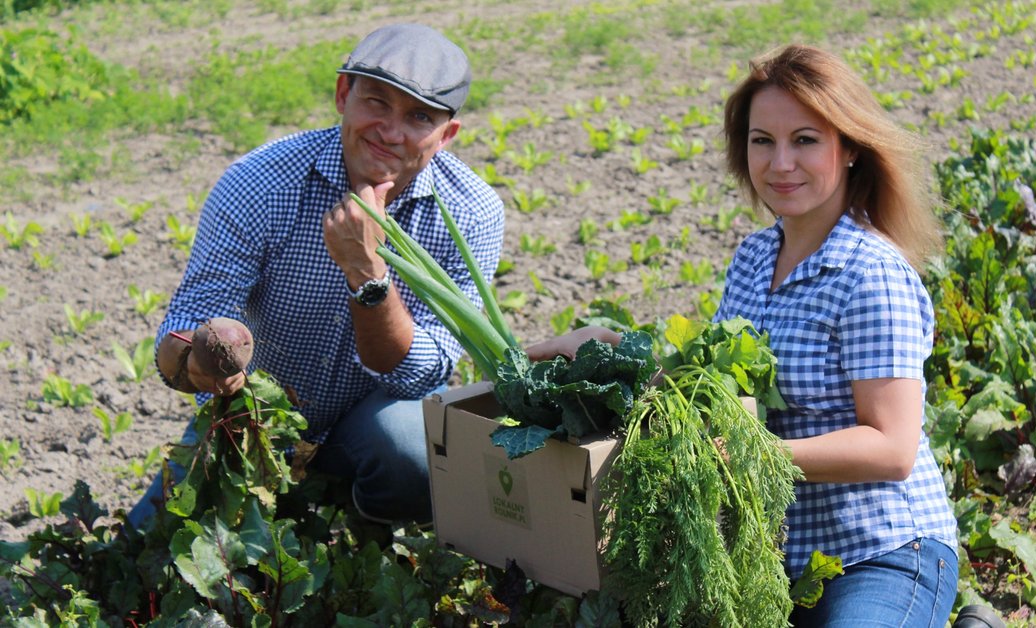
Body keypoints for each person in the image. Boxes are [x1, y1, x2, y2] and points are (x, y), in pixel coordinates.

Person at [528, 44, 965, 627]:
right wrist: (613, 353)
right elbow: (715, 391)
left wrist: (749, 456)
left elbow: (890, 448)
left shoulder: (870, 273)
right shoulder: (756, 257)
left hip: (880, 552)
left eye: (805, 140)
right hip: (771, 558)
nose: (780, 162)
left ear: (851, 148)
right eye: (763, 141)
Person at [133, 23, 505, 529]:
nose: (391, 131)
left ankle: (366, 531)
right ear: (342, 95)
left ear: (446, 135)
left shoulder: (471, 212)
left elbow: (422, 372)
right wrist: (197, 360)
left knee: (410, 451)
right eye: (376, 102)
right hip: (254, 420)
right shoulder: (260, 181)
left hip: (370, 425)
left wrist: (367, 275)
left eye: (418, 116)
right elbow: (187, 322)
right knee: (145, 547)